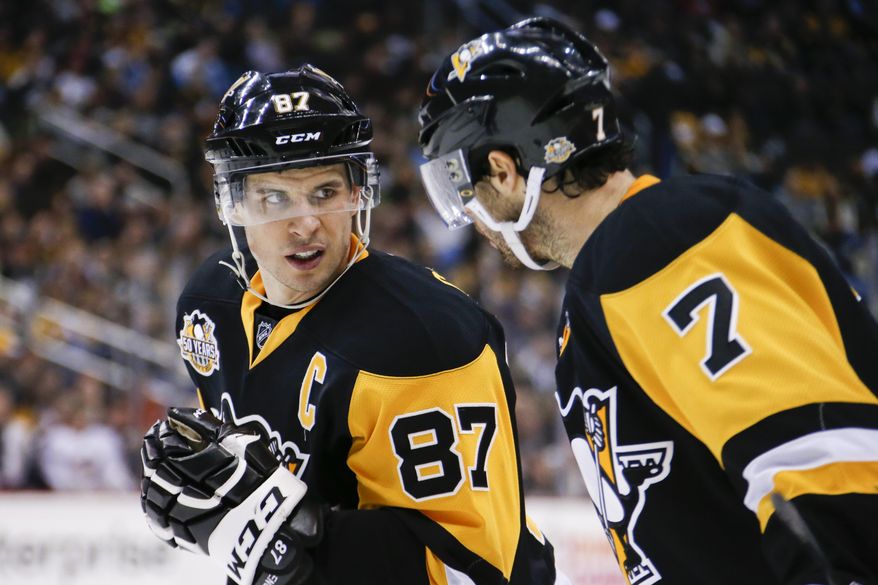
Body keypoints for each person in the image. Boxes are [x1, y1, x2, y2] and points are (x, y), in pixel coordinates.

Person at [417, 17, 878, 585]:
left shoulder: (661, 240)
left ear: (504, 171)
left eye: (459, 186)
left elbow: (818, 455)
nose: (468, 217)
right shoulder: (608, 280)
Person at [138, 64, 561, 585]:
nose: (306, 223)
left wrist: (274, 536)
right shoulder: (209, 303)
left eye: (324, 192)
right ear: (234, 203)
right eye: (275, 197)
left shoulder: (424, 339)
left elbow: (478, 570)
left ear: (359, 192)